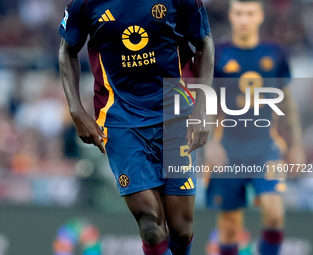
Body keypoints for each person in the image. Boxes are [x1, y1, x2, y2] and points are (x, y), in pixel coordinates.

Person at [58, 1, 214, 254]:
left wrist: (202, 107)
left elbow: (204, 42)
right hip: (120, 118)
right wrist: (76, 111)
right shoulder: (86, 3)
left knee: (180, 229)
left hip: (176, 112)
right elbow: (67, 49)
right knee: (151, 226)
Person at [204, 0, 306, 255]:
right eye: (239, 13)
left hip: (265, 148)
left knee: (274, 212)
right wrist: (210, 143)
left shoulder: (275, 52)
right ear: (232, 16)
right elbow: (207, 102)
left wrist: (295, 145)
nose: (244, 19)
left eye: (250, 13)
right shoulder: (219, 52)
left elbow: (286, 102)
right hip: (228, 148)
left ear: (260, 16)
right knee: (229, 226)